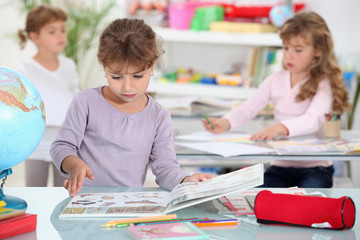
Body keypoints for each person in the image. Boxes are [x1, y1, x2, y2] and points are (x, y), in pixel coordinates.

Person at [50, 18, 213, 197]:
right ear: (104, 67)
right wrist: (74, 164)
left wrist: (185, 181)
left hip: (127, 206)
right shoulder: (85, 101)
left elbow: (165, 168)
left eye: (137, 76)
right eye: (117, 77)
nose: (127, 87)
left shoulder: (159, 116)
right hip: (84, 202)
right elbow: (61, 147)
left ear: (152, 66)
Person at [202, 11, 350, 188]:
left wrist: (281, 128)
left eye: (298, 50)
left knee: (308, 207)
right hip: (280, 166)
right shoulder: (275, 79)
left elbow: (315, 119)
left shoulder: (323, 82)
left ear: (318, 51)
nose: (288, 55)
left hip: (315, 168)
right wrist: (226, 122)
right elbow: (249, 107)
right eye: (286, 48)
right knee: (258, 200)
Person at [17, 5, 79, 187]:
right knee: (35, 189)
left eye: (62, 30)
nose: (60, 36)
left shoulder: (69, 66)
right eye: (52, 32)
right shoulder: (25, 69)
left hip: (64, 139)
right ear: (35, 37)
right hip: (36, 141)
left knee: (64, 190)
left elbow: (75, 99)